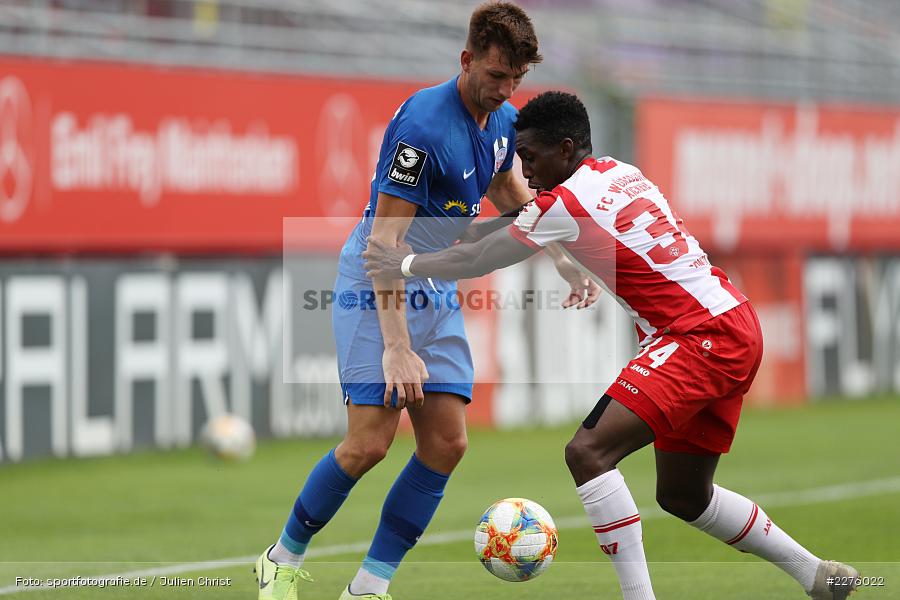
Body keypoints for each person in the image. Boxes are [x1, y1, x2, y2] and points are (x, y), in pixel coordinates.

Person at [362, 91, 860, 600]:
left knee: (588, 451)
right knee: (683, 495)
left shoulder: (567, 202)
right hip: (730, 321)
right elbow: (522, 221)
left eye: (531, 157)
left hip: (698, 335)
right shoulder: (617, 172)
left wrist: (403, 264)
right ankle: (818, 575)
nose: (525, 171)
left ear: (566, 146)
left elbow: (482, 258)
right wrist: (471, 230)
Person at [255, 5, 600, 600]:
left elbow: (506, 187)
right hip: (377, 284)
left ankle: (368, 587)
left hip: (431, 282)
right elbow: (384, 246)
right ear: (466, 61)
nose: (505, 90)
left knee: (446, 443)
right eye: (495, 76)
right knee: (369, 443)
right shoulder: (422, 128)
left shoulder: (501, 119)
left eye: (516, 78)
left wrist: (563, 257)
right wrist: (396, 348)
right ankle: (280, 561)